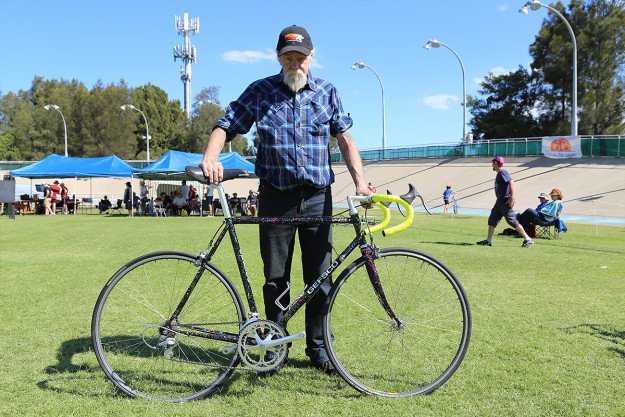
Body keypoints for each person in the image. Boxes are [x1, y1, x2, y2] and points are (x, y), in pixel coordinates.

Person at [198, 25, 372, 375]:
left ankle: (319, 349)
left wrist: (361, 182)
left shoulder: (327, 92)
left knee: (320, 278)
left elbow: (345, 139)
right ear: (278, 58)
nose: (295, 63)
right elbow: (226, 124)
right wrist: (210, 157)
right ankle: (274, 347)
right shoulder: (260, 91)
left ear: (312, 57)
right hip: (275, 197)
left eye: (301, 57)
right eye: (288, 57)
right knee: (276, 277)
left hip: (317, 197)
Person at [477, 156, 534, 248]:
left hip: (505, 201)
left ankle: (528, 239)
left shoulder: (502, 172)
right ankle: (488, 240)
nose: (491, 164)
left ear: (496, 163)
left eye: (492, 162)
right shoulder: (499, 173)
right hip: (499, 202)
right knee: (492, 220)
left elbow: (512, 182)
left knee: (511, 220)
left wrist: (512, 198)